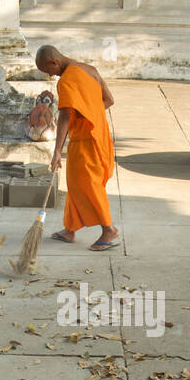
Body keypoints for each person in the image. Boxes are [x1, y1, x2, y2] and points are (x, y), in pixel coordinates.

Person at [34, 44, 119, 250]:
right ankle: (70, 229)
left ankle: (109, 229)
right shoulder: (90, 70)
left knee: (88, 185)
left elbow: (64, 117)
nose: (51, 76)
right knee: (75, 183)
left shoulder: (66, 82)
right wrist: (89, 113)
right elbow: (108, 100)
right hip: (99, 135)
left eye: (48, 72)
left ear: (54, 63)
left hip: (85, 141)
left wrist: (56, 152)